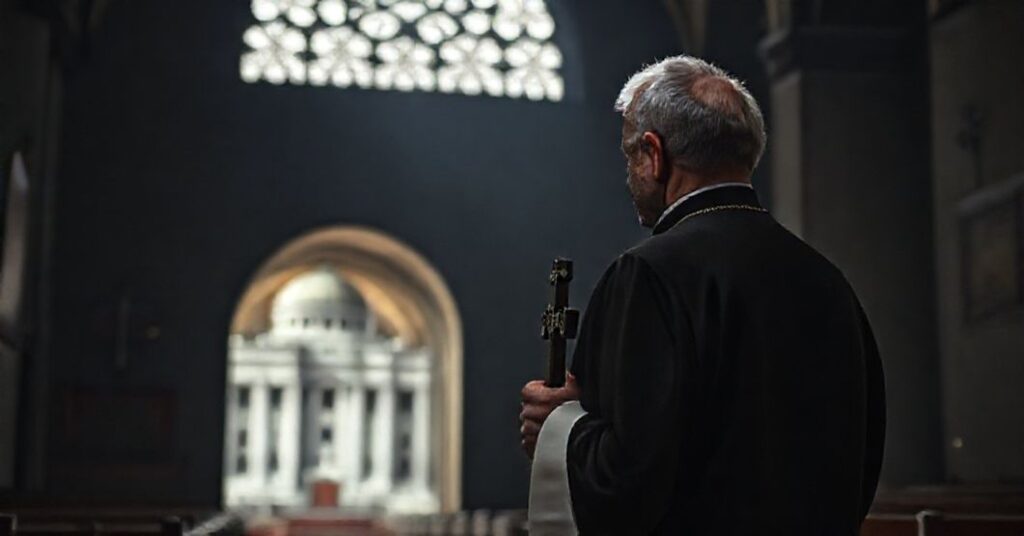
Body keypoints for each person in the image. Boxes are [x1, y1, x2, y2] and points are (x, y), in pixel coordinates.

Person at [519, 55, 886, 535]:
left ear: (655, 154)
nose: (630, 173)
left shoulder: (648, 275)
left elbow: (628, 481)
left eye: (630, 153)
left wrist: (560, 427)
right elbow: (863, 456)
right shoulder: (827, 280)